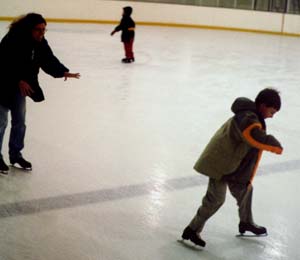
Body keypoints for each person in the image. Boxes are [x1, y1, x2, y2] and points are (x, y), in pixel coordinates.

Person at [181, 88, 283, 247]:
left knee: (245, 190)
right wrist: (273, 144)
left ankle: (246, 222)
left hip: (233, 165)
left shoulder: (253, 117)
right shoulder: (247, 118)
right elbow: (252, 135)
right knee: (215, 199)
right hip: (219, 164)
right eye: (272, 111)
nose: (272, 115)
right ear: (262, 105)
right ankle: (192, 229)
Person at [0, 13, 80, 175]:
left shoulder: (40, 43)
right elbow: (3, 63)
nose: (42, 33)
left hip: (21, 88)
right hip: (2, 84)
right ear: (28, 28)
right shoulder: (11, 40)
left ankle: (15, 155)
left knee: (20, 123)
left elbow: (48, 59)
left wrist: (63, 72)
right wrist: (18, 80)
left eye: (44, 30)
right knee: (1, 123)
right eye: (38, 30)